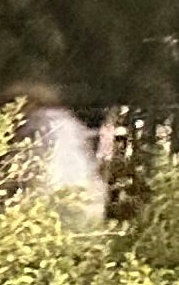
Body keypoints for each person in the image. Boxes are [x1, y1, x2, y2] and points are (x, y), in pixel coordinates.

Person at [6, 78, 111, 226]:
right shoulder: (69, 122)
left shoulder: (37, 124)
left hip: (53, 203)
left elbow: (27, 168)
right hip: (87, 202)